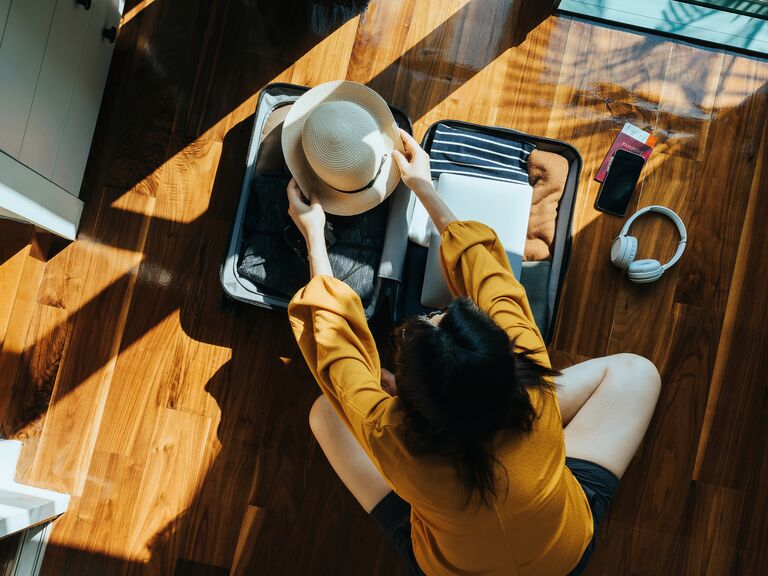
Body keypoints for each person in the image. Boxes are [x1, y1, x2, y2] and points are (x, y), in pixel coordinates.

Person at [286, 129, 661, 575]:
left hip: (450, 565)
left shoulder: (391, 437)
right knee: (639, 373)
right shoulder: (530, 365)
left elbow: (336, 352)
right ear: (508, 364)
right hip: (562, 555)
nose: (439, 311)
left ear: (409, 410)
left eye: (433, 318)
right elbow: (490, 276)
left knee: (327, 414)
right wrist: (424, 186)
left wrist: (314, 236)